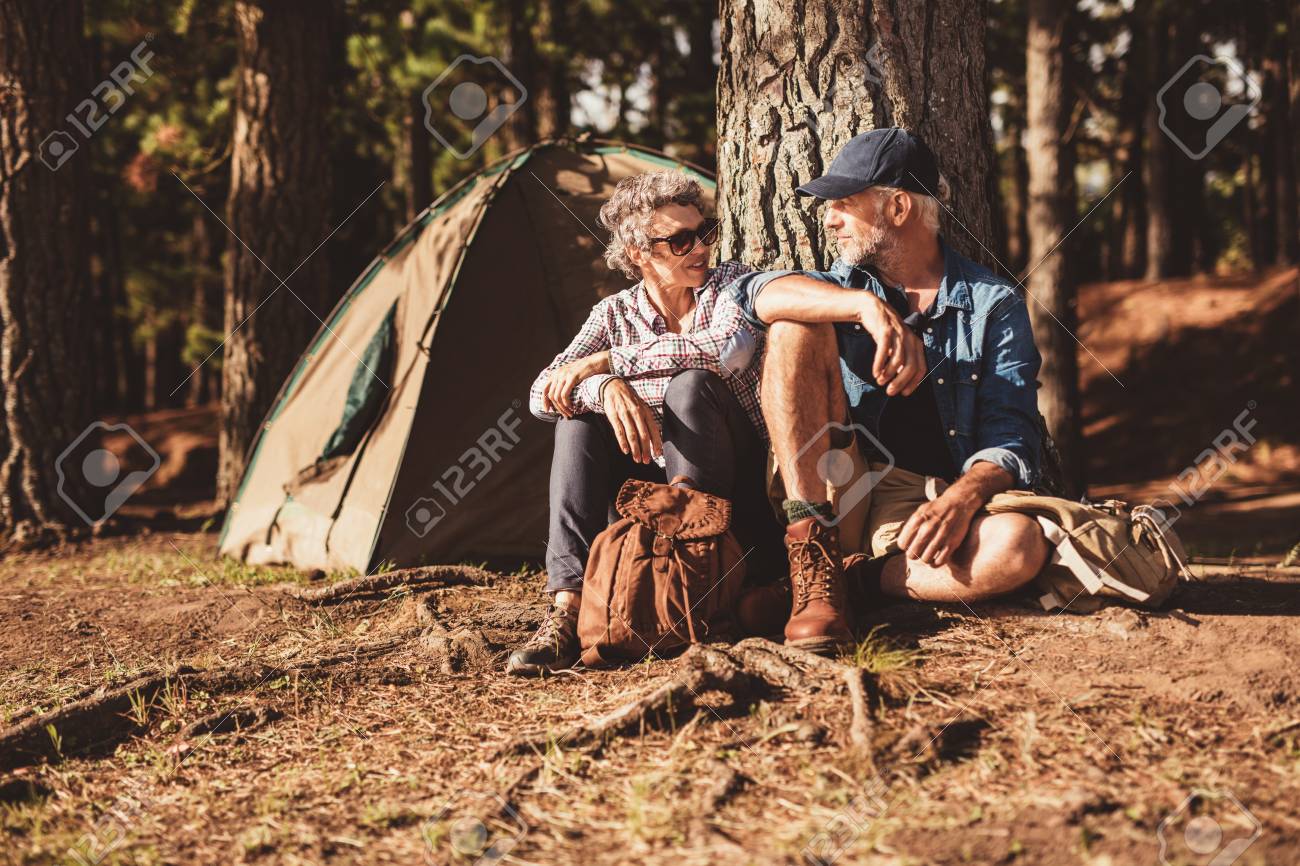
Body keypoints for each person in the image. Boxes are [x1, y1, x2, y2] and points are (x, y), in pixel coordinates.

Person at [731, 127, 1052, 655]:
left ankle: (853, 584)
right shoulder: (841, 288)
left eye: (844, 204)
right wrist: (865, 309)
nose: (829, 219)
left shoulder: (994, 304)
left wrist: (963, 495)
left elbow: (1014, 436)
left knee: (1016, 546)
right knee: (792, 327)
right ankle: (811, 559)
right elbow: (753, 294)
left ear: (898, 207)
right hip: (833, 484)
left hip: (916, 508)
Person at [508, 170, 782, 676]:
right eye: (680, 240)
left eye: (706, 231)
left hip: (732, 497)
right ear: (639, 253)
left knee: (691, 386)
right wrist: (604, 388)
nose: (699, 247)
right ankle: (566, 613)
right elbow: (541, 394)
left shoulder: (732, 285)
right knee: (577, 421)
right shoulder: (614, 313)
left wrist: (610, 363)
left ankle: (692, 591)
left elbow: (723, 354)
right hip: (648, 498)